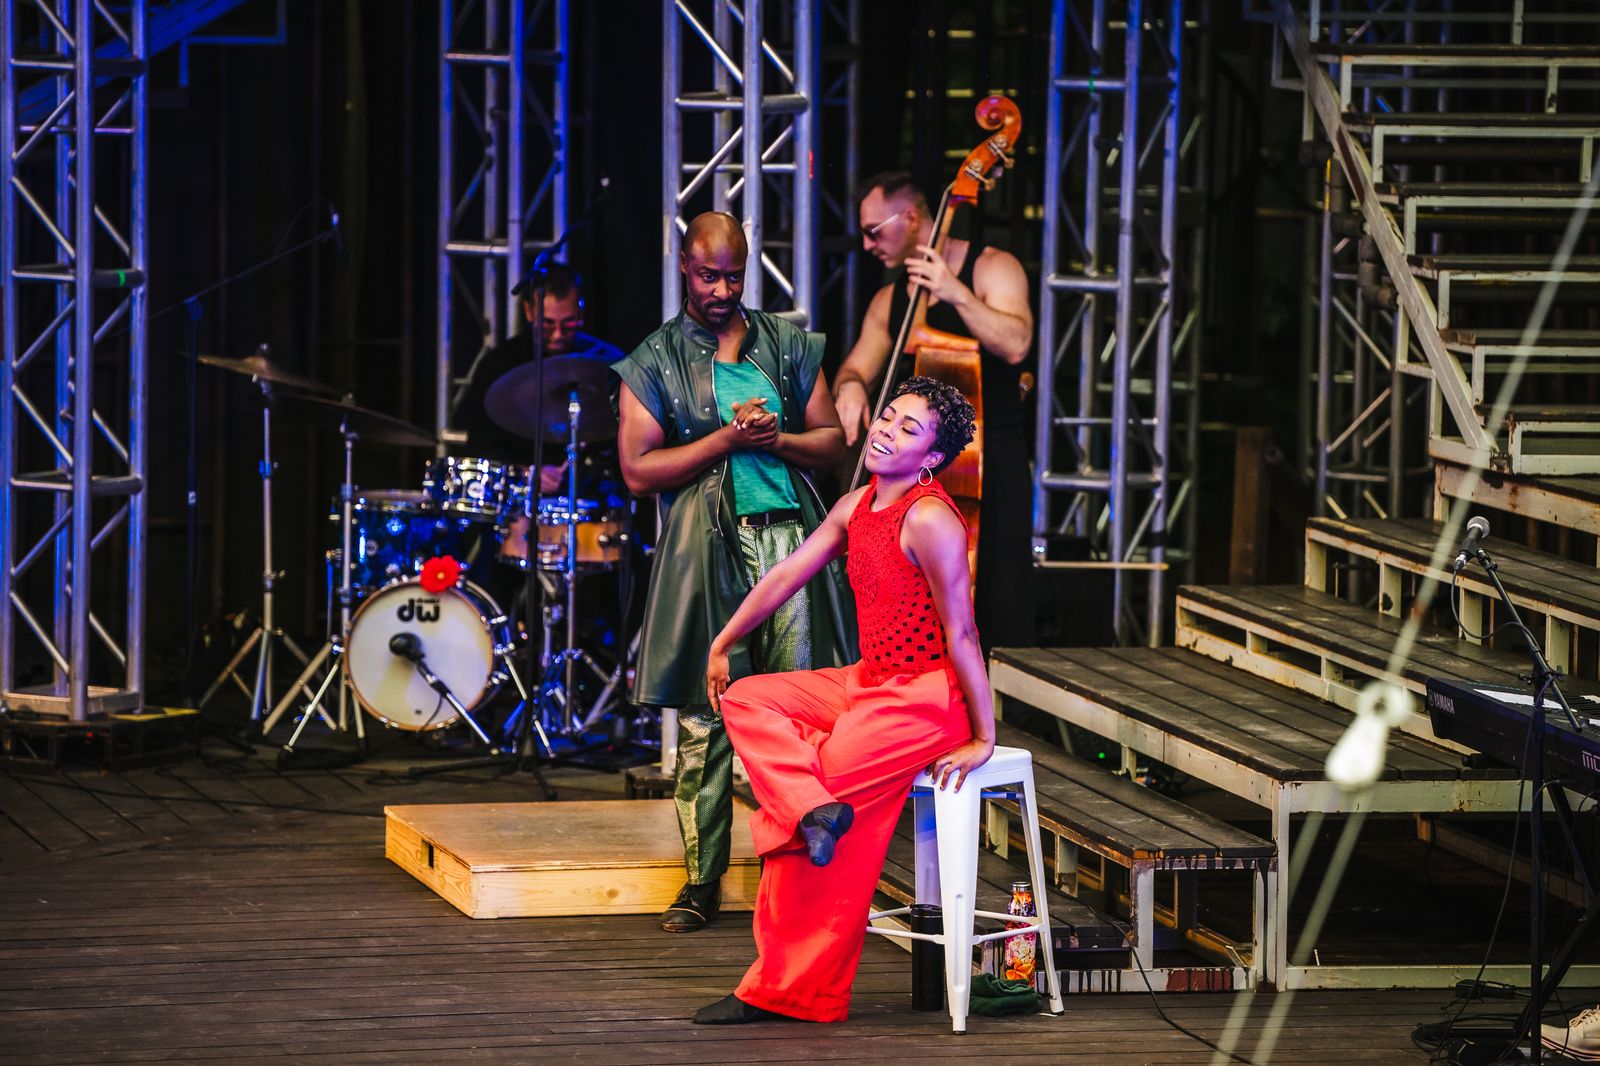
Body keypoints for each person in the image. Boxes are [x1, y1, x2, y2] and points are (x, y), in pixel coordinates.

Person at [691, 376, 994, 1025]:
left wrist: (983, 734)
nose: (886, 430)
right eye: (888, 417)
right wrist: (724, 640)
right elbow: (785, 574)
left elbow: (963, 632)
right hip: (868, 679)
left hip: (922, 698)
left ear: (933, 457)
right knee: (748, 698)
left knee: (805, 823)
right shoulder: (856, 504)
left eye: (909, 429)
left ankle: (791, 991)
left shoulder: (931, 519)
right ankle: (810, 807)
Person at [610, 211, 857, 934]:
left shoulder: (785, 342)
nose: (721, 289)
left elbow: (832, 442)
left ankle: (803, 880)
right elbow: (637, 471)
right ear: (683, 267)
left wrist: (777, 439)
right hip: (708, 552)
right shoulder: (655, 360)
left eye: (734, 276)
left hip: (790, 544)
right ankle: (701, 881)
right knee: (705, 716)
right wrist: (724, 438)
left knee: (802, 712)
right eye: (708, 275)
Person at [833, 171, 1036, 652]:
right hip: (916, 470)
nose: (868, 245)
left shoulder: (993, 268)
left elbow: (1017, 344)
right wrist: (851, 388)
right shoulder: (891, 299)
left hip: (990, 459)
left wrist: (956, 293)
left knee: (998, 598)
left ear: (910, 216)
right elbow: (856, 367)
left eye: (874, 231)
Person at [452, 261, 624, 490]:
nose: (558, 334)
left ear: (581, 310)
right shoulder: (500, 365)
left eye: (569, 323)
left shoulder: (606, 361)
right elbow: (481, 447)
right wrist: (526, 473)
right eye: (548, 323)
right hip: (519, 495)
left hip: (590, 494)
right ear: (528, 311)